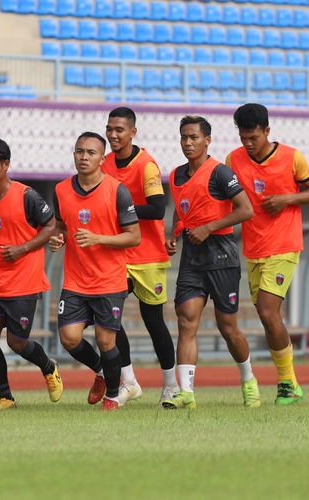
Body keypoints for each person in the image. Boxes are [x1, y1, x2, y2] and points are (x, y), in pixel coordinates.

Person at [227, 103, 309, 405]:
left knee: (269, 312)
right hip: (254, 248)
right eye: (244, 137)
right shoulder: (233, 159)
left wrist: (287, 199)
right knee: (268, 317)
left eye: (253, 137)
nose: (248, 143)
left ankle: (285, 382)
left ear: (267, 131)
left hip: (284, 245)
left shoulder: (291, 157)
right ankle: (292, 383)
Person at [162, 116, 260, 410]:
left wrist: (210, 227)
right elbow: (183, 210)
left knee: (228, 327)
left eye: (193, 137)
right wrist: (174, 233)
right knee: (185, 321)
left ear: (207, 140)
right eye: (184, 137)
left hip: (222, 257)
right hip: (192, 260)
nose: (188, 143)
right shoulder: (176, 175)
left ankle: (249, 380)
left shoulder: (220, 173)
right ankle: (187, 393)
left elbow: (246, 210)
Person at [0, 137, 63, 410]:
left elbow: (50, 226)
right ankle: (6, 397)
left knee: (17, 343)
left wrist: (22, 249)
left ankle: (47, 366)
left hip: (24, 283)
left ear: (6, 165)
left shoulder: (26, 196)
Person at [50, 132, 141, 411]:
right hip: (76, 281)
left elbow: (134, 236)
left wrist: (99, 238)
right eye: (80, 151)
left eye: (91, 152)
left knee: (105, 340)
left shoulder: (117, 190)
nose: (84, 157)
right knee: (69, 338)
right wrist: (58, 238)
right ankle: (101, 371)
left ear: (103, 158)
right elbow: (62, 226)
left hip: (109, 281)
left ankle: (113, 395)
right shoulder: (61, 190)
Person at [102, 107, 178, 405]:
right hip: (117, 255)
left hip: (148, 256)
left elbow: (158, 208)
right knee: (109, 319)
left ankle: (171, 385)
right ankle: (129, 381)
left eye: (119, 130)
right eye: (110, 129)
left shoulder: (146, 165)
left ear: (133, 132)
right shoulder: (104, 163)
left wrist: (121, 211)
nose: (113, 135)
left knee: (153, 321)